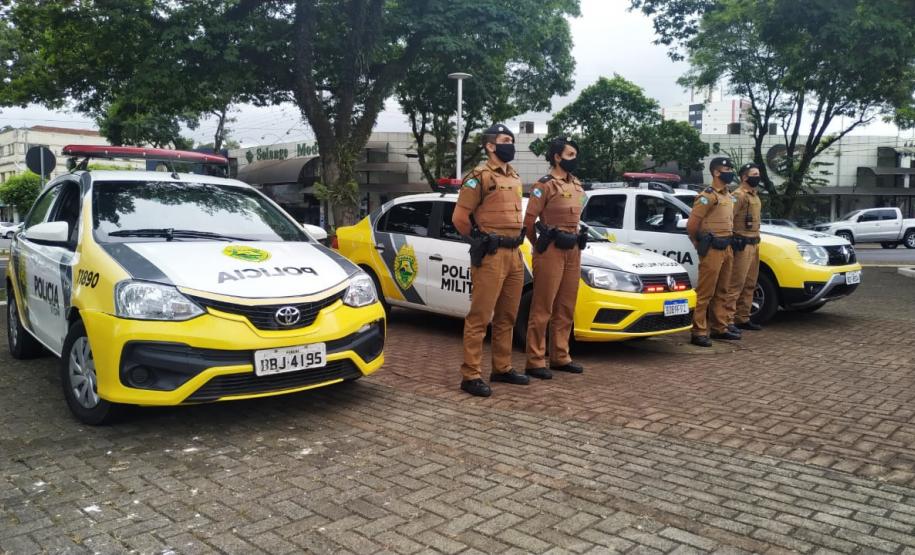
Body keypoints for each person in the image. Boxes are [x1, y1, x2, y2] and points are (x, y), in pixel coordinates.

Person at [451, 124, 529, 397]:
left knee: (507, 316)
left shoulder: (514, 176)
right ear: (491, 146)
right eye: (505, 140)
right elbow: (459, 218)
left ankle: (502, 368)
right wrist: (479, 241)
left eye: (512, 139)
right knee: (480, 316)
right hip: (492, 254)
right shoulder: (478, 177)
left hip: (515, 254)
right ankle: (471, 375)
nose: (511, 144)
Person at [523, 137, 587, 379]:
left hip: (573, 249)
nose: (574, 159)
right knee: (543, 307)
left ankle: (560, 356)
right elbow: (529, 222)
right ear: (557, 157)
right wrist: (539, 246)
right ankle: (535, 360)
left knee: (566, 306)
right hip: (551, 250)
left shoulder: (577, 184)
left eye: (576, 155)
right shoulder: (544, 185)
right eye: (570, 155)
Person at [687, 157, 741, 347]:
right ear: (716, 172)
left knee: (723, 290)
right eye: (727, 169)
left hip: (727, 247)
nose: (731, 172)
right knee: (705, 292)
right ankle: (699, 331)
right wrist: (697, 243)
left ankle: (720, 327)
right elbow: (692, 225)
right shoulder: (707, 196)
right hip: (712, 248)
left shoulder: (728, 195)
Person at [726, 163, 764, 331]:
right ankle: (727, 320)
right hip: (741, 245)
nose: (758, 177)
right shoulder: (738, 195)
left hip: (754, 244)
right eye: (754, 174)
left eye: (758, 174)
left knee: (750, 283)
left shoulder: (755, 195)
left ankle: (742, 317)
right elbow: (728, 219)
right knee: (736, 284)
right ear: (744, 177)